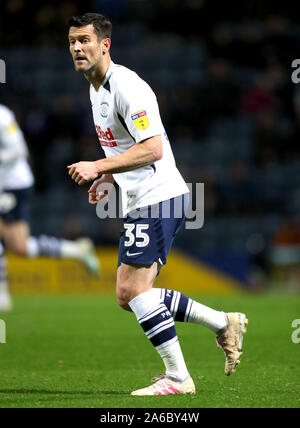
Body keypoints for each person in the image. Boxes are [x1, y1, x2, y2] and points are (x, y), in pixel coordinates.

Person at [67, 13, 248, 396]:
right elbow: (125, 146)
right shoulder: (95, 87)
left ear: (105, 44)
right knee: (128, 295)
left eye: (85, 40)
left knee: (133, 292)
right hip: (144, 199)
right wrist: (110, 176)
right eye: (72, 41)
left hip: (159, 197)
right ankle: (221, 322)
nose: (77, 48)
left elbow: (152, 148)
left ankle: (179, 378)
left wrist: (96, 164)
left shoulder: (128, 87)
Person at [0, 103, 100, 311]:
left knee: (19, 246)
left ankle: (2, 294)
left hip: (12, 184)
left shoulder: (3, 115)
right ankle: (76, 250)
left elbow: (19, 150)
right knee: (20, 247)